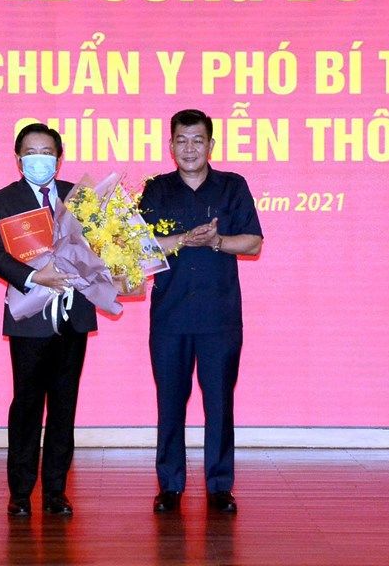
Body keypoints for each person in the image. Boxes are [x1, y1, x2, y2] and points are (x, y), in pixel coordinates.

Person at [140, 109, 264, 514]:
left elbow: (253, 242)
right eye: (181, 140)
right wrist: (183, 239)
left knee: (220, 403)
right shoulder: (157, 189)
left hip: (219, 317)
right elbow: (140, 248)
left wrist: (215, 242)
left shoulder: (232, 186)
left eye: (197, 140)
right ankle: (170, 485)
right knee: (170, 403)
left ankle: (219, 486)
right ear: (171, 145)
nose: (189, 148)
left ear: (211, 145)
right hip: (170, 316)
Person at [0, 123, 98, 518]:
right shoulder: (4, 199)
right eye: (31, 152)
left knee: (64, 406)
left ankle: (55, 492)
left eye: (46, 152)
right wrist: (35, 277)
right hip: (30, 317)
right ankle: (20, 493)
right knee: (28, 404)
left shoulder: (79, 197)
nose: (39, 159)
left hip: (73, 316)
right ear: (19, 159)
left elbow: (101, 247)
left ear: (58, 158)